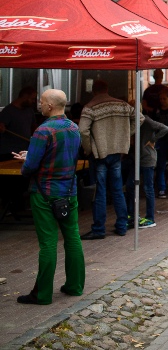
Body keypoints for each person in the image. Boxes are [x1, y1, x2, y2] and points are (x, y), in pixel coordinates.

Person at [13, 89, 85, 305]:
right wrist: (33, 155)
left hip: (44, 192)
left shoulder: (42, 131)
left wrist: (26, 160)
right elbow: (64, 155)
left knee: (48, 243)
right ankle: (75, 286)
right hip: (69, 191)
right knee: (72, 237)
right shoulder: (74, 127)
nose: (39, 104)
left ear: (51, 106)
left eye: (42, 102)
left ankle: (42, 294)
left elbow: (30, 168)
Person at [79, 80, 135, 239]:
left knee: (100, 191)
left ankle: (98, 229)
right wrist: (126, 136)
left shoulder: (90, 107)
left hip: (100, 153)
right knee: (118, 190)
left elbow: (83, 130)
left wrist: (89, 148)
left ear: (93, 91)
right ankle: (122, 225)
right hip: (117, 151)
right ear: (107, 89)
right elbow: (140, 118)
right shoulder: (122, 105)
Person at [134, 101, 168, 229]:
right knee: (132, 185)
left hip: (147, 157)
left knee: (148, 188)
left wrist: (153, 140)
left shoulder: (146, 120)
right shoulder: (135, 122)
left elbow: (165, 128)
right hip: (138, 157)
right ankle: (133, 214)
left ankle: (150, 218)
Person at [0, 85, 37, 159]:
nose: (34, 101)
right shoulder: (8, 111)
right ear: (25, 96)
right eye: (32, 98)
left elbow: (34, 128)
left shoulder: (29, 110)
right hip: (9, 153)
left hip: (25, 152)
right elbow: (1, 126)